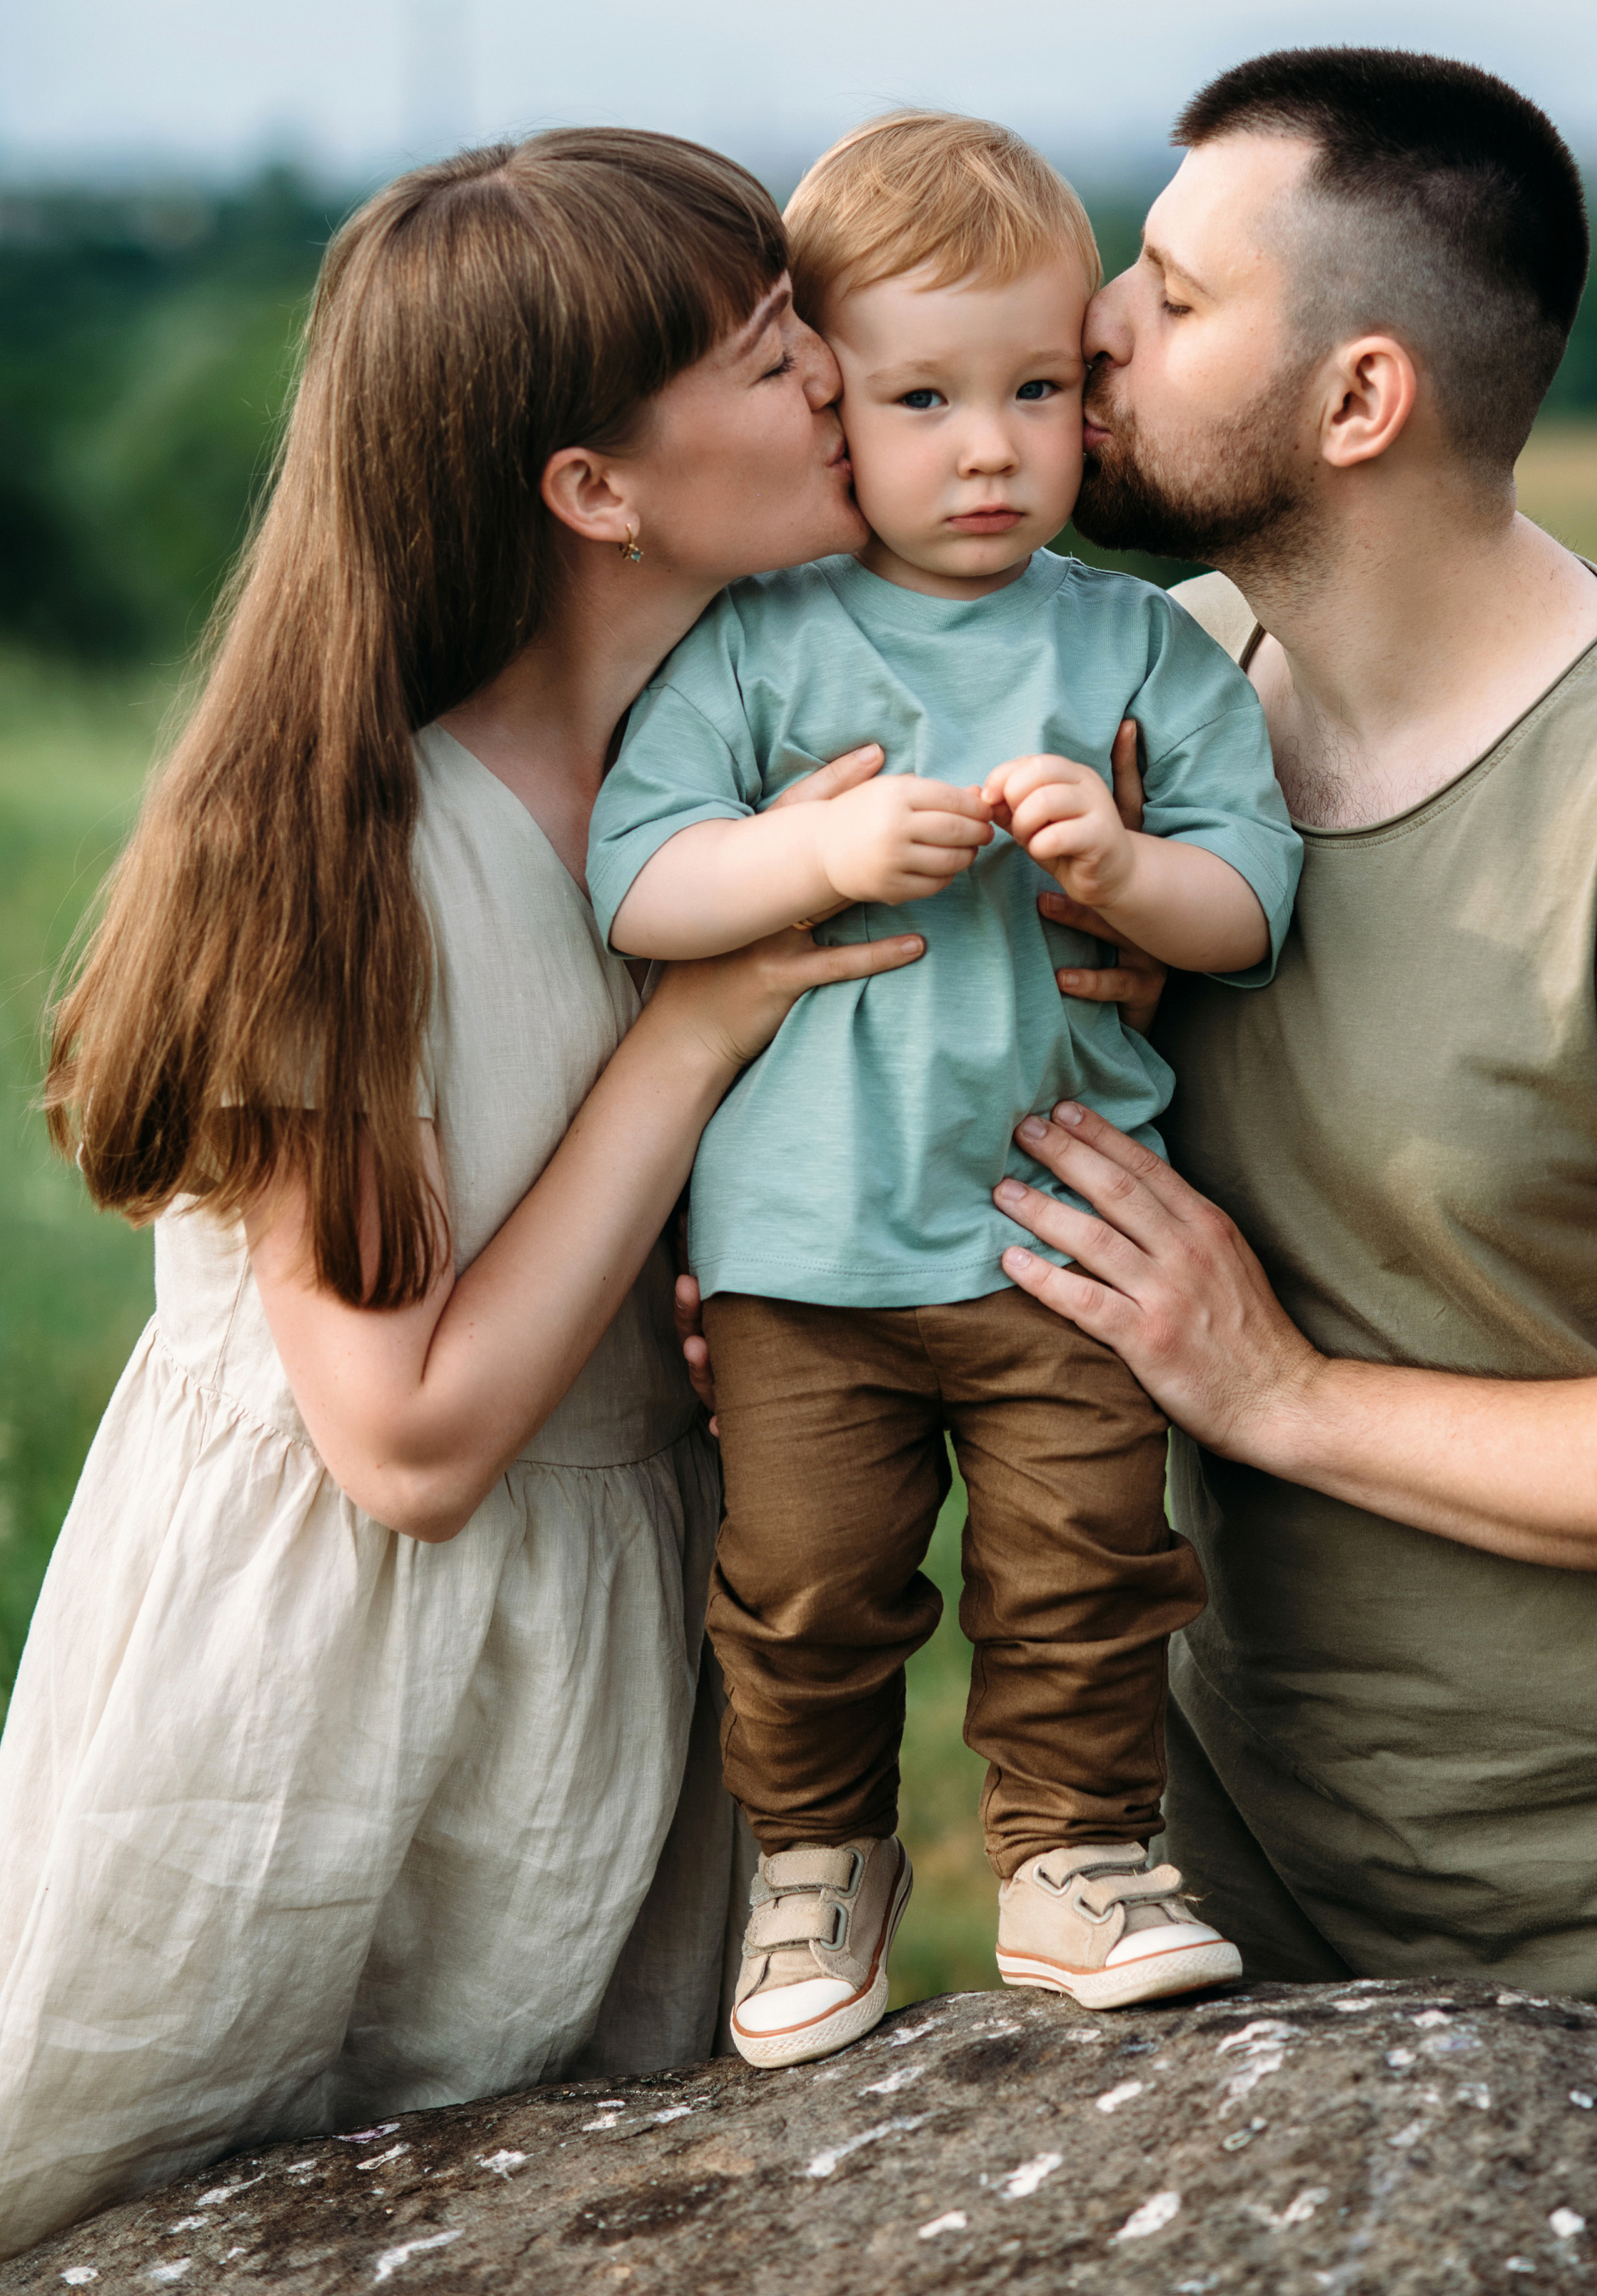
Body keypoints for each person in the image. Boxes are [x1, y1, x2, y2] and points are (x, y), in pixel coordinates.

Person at [983, 49, 1597, 2183]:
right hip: (1249, 1942)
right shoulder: (1158, 689)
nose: (1094, 336)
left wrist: (1281, 1393)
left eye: (1168, 291)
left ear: (1359, 401)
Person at [0, 130, 935, 2258]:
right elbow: (405, 1440)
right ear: (595, 491)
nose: (833, 376)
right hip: (330, 1708)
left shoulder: (748, 783)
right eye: (769, 347)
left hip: (616, 1662)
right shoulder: (348, 844)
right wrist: (691, 1037)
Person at [588, 113, 1301, 2067]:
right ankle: (815, 1861)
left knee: (1084, 1565)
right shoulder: (762, 640)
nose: (986, 448)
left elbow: (1248, 894)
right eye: (920, 398)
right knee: (802, 1585)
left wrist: (1127, 870)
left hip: (1054, 1236)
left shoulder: (1133, 644)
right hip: (805, 1254)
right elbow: (637, 876)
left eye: (1036, 391)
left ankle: (1077, 1862)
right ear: (830, 399)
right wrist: (808, 857)